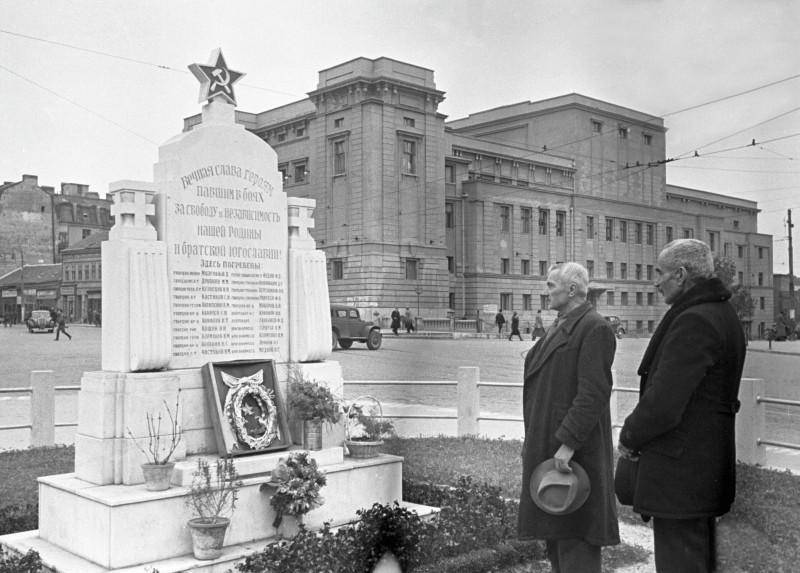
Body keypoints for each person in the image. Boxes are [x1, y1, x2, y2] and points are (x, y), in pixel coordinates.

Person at [617, 239, 746, 573]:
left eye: (659, 273)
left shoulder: (695, 320)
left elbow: (664, 402)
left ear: (681, 274)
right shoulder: (720, 312)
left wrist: (629, 437)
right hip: (700, 471)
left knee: (681, 563)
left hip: (682, 475)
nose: (656, 282)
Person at [519, 262, 619, 572]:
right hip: (551, 443)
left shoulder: (595, 327)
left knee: (576, 541)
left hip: (575, 453)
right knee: (557, 536)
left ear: (572, 289)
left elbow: (593, 394)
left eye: (550, 285)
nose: (545, 291)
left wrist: (568, 443)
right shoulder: (562, 323)